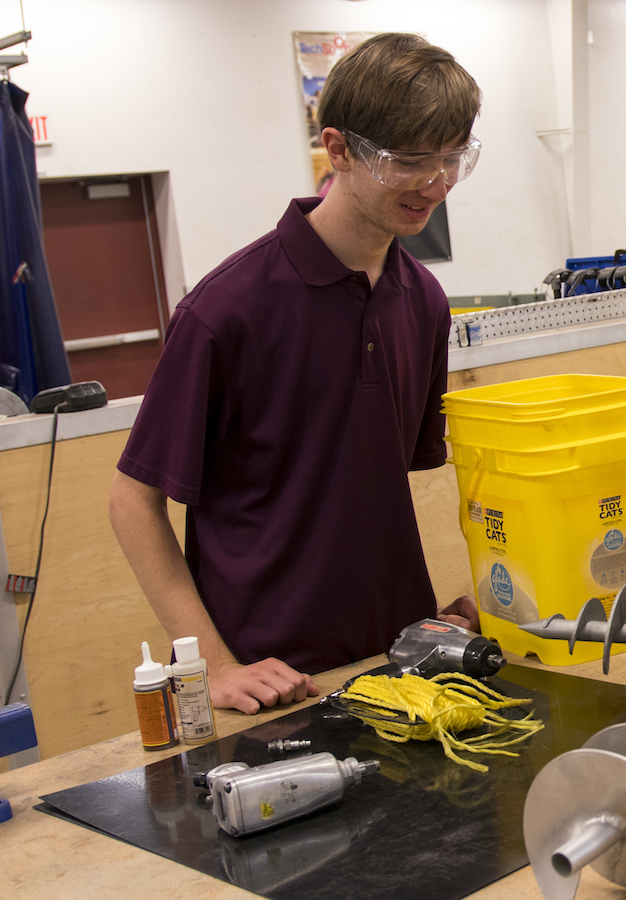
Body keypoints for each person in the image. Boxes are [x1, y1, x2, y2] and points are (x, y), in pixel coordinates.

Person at [108, 34, 483, 714]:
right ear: (337, 149)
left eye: (452, 159)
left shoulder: (423, 299)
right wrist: (216, 667)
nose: (436, 185)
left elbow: (362, 489)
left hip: (394, 666)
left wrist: (431, 620)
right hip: (268, 686)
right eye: (408, 161)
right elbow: (132, 502)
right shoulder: (227, 311)